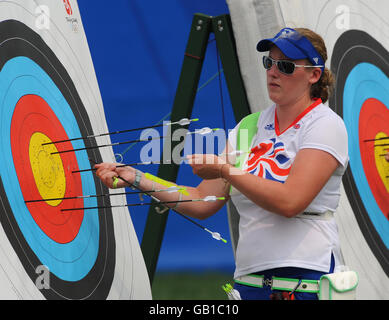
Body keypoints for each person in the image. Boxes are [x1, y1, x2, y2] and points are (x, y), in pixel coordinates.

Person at [95, 27, 349, 300]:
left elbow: (290, 202)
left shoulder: (325, 124)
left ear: (314, 74)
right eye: (269, 62)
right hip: (250, 281)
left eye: (286, 66)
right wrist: (136, 178)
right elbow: (202, 199)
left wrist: (225, 170)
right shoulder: (249, 126)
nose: (273, 72)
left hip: (305, 279)